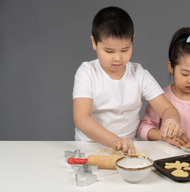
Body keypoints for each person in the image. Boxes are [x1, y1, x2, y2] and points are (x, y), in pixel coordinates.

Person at [72, 6, 182, 156]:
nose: (117, 58)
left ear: (132, 40)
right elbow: (82, 119)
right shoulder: (87, 72)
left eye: (125, 50)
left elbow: (167, 109)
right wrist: (114, 140)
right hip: (89, 149)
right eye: (109, 51)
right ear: (94, 42)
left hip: (128, 150)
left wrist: (171, 121)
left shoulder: (139, 74)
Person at [138, 27, 190, 148]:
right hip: (169, 155)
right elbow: (144, 127)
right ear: (171, 67)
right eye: (185, 74)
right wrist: (163, 136)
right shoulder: (162, 96)